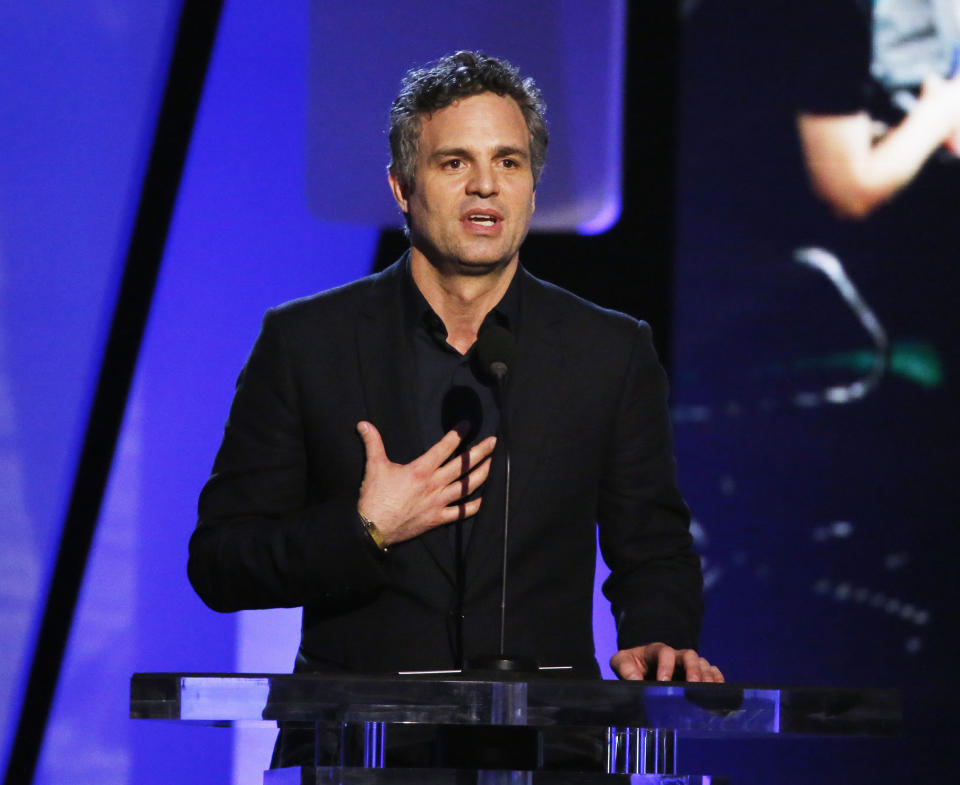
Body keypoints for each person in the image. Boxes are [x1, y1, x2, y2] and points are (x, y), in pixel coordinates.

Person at [187, 50, 720, 766]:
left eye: (509, 161)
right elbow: (220, 562)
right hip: (361, 750)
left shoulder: (610, 351)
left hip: (549, 750)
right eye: (453, 163)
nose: (485, 187)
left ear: (533, 187)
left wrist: (659, 633)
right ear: (402, 187)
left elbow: (652, 547)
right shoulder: (306, 342)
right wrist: (365, 529)